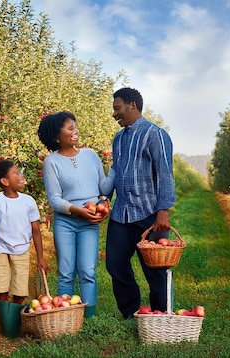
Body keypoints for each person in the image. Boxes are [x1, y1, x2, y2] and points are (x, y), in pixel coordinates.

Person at [104, 87, 176, 319]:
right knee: (115, 264)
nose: (115, 114)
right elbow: (115, 172)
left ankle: (160, 314)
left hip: (149, 213)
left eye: (117, 108)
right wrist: (104, 198)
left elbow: (165, 174)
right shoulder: (119, 138)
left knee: (156, 268)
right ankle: (131, 312)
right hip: (121, 213)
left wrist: (162, 212)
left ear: (132, 105)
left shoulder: (156, 134)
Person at [37, 111, 114, 318]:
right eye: (70, 128)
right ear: (56, 137)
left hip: (90, 221)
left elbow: (104, 188)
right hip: (66, 222)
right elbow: (54, 199)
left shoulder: (90, 155)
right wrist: (78, 210)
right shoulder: (51, 162)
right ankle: (66, 315)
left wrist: (104, 201)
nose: (75, 131)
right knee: (66, 272)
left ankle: (89, 316)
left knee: (88, 271)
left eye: (75, 126)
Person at [0, 159, 48, 337]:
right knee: (2, 289)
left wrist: (40, 258)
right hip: (0, 250)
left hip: (21, 251)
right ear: (5, 181)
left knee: (20, 290)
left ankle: (15, 327)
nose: (21, 176)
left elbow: (36, 230)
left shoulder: (28, 201)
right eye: (16, 173)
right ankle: (6, 327)